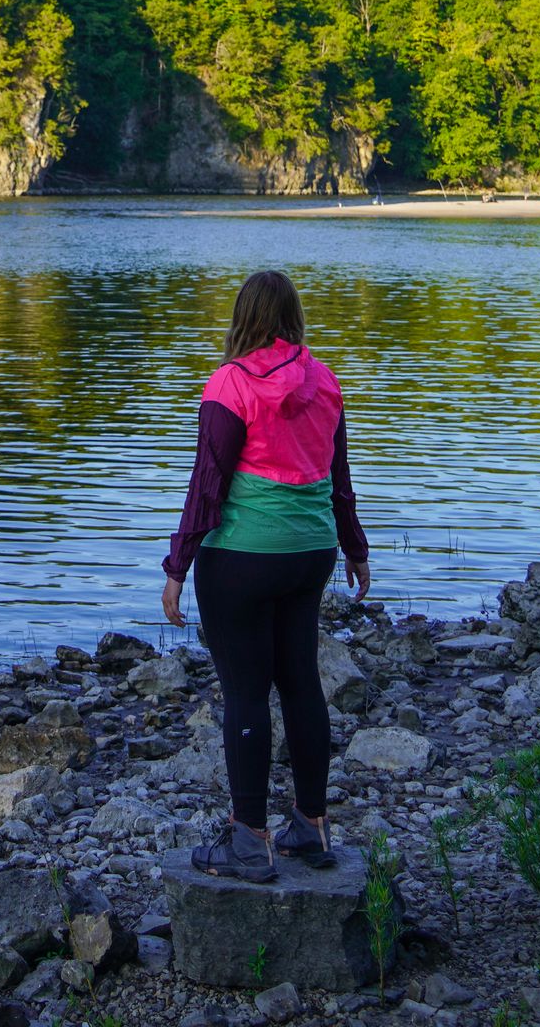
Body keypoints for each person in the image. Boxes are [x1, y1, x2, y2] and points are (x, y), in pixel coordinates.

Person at [160, 269, 370, 882]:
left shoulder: (229, 385)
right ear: (294, 317)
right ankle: (310, 826)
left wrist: (178, 565)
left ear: (243, 318)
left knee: (248, 690)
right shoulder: (325, 380)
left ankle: (250, 840)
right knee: (301, 681)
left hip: (244, 559)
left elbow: (208, 484)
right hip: (312, 552)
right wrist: (355, 549)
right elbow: (340, 478)